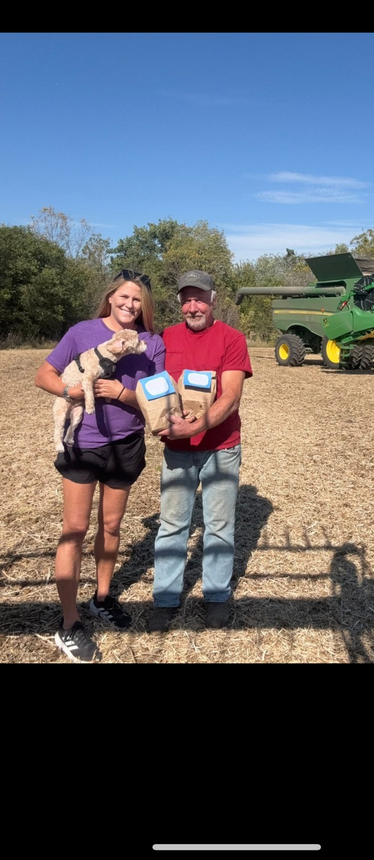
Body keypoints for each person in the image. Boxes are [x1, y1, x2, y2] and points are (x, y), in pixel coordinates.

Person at [35, 269, 165, 663]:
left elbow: (159, 395)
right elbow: (44, 375)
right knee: (74, 529)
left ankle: (101, 599)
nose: (130, 305)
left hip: (126, 444)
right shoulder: (82, 332)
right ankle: (69, 622)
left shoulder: (151, 342)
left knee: (111, 527)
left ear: (145, 305)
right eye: (124, 297)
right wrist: (71, 390)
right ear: (110, 297)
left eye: (138, 299)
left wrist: (125, 394)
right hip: (83, 443)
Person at [149, 269, 253, 632]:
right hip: (177, 449)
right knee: (173, 524)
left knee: (219, 526)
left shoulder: (232, 338)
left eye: (199, 298)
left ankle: (216, 596)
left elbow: (232, 395)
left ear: (213, 299)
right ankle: (164, 598)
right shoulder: (165, 337)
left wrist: (196, 425)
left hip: (221, 447)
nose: (193, 306)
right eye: (186, 299)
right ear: (180, 303)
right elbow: (152, 386)